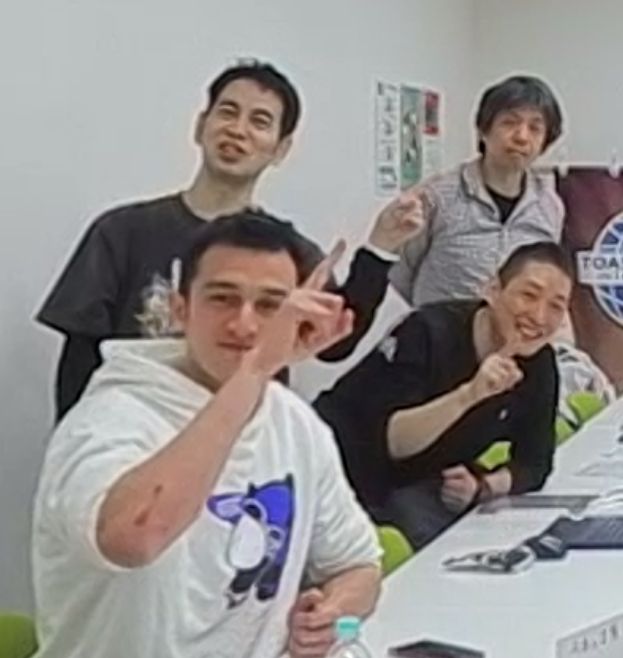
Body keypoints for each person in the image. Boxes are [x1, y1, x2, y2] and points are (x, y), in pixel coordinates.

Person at [33, 213, 382, 658]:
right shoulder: (109, 417)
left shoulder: (295, 422)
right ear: (180, 309)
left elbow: (358, 565)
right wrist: (255, 371)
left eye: (271, 306)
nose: (245, 325)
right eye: (222, 299)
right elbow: (136, 537)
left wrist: (331, 611)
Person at [37, 60, 421, 419]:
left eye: (260, 121)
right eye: (227, 112)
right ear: (200, 126)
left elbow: (334, 343)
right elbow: (80, 359)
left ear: (281, 149)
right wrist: (76, 443)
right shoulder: (122, 232)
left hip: (242, 436)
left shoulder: (285, 252)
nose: (238, 130)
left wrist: (380, 250)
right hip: (134, 430)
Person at [315, 243, 569, 549]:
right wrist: (470, 394)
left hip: (418, 483)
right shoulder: (426, 331)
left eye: (556, 306)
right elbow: (394, 443)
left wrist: (483, 486)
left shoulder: (538, 363)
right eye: (529, 295)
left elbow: (535, 463)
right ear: (493, 290)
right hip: (339, 473)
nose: (539, 316)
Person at [384, 75, 569, 305]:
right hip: (439, 326)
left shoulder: (550, 207)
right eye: (509, 122)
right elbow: (401, 273)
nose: (522, 137)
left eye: (535, 128)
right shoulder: (437, 196)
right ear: (484, 130)